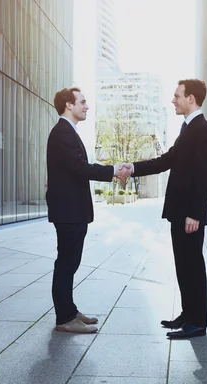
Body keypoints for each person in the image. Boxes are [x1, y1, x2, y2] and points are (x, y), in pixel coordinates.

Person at [119, 79, 207, 339]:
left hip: (189, 214)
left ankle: (198, 323)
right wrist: (134, 166)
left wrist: (195, 213)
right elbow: (168, 160)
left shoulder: (201, 130)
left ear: (191, 99)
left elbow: (204, 174)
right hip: (179, 212)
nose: (173, 100)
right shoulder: (188, 129)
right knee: (183, 266)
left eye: (177, 96)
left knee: (193, 266)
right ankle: (188, 315)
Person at [46, 87, 129, 334]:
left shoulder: (67, 132)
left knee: (69, 263)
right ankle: (64, 317)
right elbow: (79, 168)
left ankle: (70, 310)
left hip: (72, 210)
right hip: (68, 211)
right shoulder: (62, 132)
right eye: (82, 102)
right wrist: (113, 170)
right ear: (68, 105)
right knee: (66, 263)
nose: (86, 106)